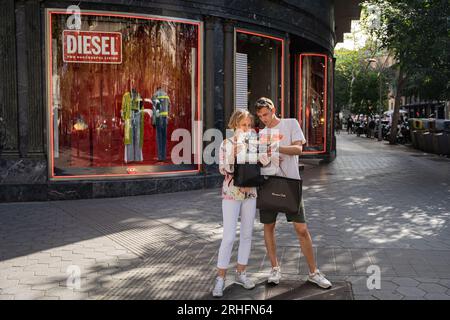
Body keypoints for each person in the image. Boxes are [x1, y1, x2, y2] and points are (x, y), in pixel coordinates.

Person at [254, 97, 332, 289]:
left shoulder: (290, 124)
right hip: (268, 183)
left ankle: (314, 272)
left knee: (302, 229)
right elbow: (258, 161)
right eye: (260, 116)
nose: (264, 118)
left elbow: (298, 149)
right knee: (268, 227)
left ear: (273, 109)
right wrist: (264, 159)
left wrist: (276, 148)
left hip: (291, 183)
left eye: (266, 113)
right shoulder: (261, 133)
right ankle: (274, 269)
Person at [212, 109, 270, 298]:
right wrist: (233, 154)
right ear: (235, 125)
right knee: (229, 237)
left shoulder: (254, 143)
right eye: (243, 125)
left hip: (250, 193)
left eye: (249, 125)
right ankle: (220, 278)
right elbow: (224, 170)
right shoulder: (226, 144)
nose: (246, 128)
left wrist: (267, 151)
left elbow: (264, 165)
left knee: (246, 235)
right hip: (231, 193)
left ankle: (241, 273)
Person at [152, 86, 171, 162]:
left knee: (159, 138)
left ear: (157, 89)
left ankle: (160, 157)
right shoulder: (166, 95)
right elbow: (169, 106)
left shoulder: (155, 95)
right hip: (165, 118)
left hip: (158, 118)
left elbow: (154, 108)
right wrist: (167, 115)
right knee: (164, 138)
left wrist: (154, 121)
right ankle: (164, 156)